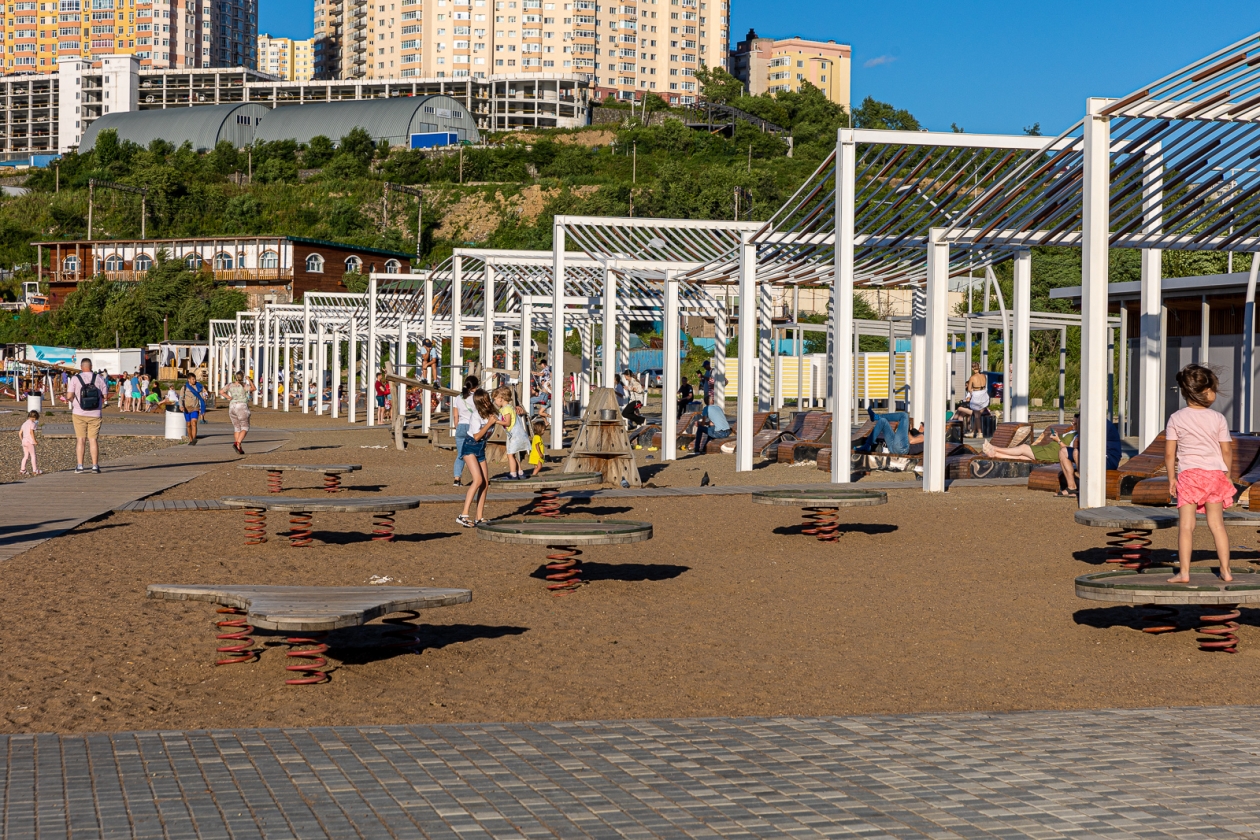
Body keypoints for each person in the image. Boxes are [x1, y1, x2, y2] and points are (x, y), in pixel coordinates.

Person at [1165, 364, 1234, 583]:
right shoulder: (1218, 418)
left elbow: (1169, 454)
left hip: (1189, 476)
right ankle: (1226, 570)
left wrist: (1171, 478)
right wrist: (1228, 474)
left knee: (1186, 526)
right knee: (1217, 525)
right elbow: (1226, 450)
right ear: (1205, 392)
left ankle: (1184, 572)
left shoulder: (1176, 418)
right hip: (1214, 475)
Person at [456, 388, 503, 527]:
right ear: (478, 404)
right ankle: (463, 515)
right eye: (484, 402)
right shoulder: (476, 415)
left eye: (488, 401)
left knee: (485, 483)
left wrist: (515, 410)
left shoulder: (492, 413)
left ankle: (479, 517)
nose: (488, 404)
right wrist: (489, 424)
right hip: (470, 446)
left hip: (481, 448)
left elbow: (504, 421)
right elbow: (476, 436)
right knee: (477, 480)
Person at [66, 357, 108, 474]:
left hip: (79, 413)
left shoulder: (75, 378)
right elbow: (104, 396)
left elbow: (69, 396)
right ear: (91, 367)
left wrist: (75, 402)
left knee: (81, 440)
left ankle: (80, 466)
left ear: (81, 367)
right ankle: (95, 466)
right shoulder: (99, 378)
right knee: (93, 440)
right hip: (95, 413)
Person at [493, 385, 529, 479]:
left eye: (495, 399)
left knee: (510, 455)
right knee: (512, 454)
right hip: (514, 435)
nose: (495, 401)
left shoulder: (506, 409)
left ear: (501, 399)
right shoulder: (508, 407)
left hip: (515, 435)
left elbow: (507, 423)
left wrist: (496, 421)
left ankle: (513, 474)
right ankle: (520, 472)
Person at [219, 370, 255, 455]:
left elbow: (221, 391)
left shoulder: (230, 385)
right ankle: (237, 443)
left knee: (237, 427)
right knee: (245, 427)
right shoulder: (243, 385)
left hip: (232, 406)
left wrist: (228, 397)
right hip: (241, 406)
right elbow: (254, 388)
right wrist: (249, 380)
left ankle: (239, 446)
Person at [452, 375, 479, 487]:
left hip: (461, 426)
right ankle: (477, 477)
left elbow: (455, 415)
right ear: (475, 386)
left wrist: (457, 426)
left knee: (460, 454)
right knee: (474, 453)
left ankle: (457, 478)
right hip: (472, 426)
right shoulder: (475, 397)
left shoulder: (458, 397)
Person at [180, 372, 206, 445]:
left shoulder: (198, 387)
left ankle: (194, 439)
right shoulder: (184, 387)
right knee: (188, 424)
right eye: (193, 379)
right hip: (186, 408)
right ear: (189, 380)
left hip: (195, 407)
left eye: (195, 379)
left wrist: (203, 401)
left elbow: (201, 396)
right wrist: (181, 406)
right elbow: (181, 398)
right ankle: (190, 439)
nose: (194, 380)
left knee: (194, 423)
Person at [19, 408, 40, 476]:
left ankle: (22, 470)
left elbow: (20, 433)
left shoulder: (24, 423)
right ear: (35, 417)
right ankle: (35, 470)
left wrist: (22, 440)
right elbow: (31, 432)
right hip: (29, 441)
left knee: (25, 456)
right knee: (33, 455)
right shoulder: (32, 423)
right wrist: (34, 441)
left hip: (24, 441)